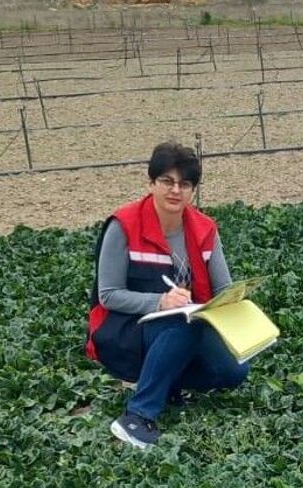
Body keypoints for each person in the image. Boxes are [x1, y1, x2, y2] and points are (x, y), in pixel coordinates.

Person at [85, 142, 249, 449]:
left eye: (185, 184)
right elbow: (108, 295)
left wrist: (236, 301)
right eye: (167, 181)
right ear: (151, 183)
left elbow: (222, 287)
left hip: (184, 326)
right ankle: (136, 416)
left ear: (192, 190)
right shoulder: (123, 225)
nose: (176, 190)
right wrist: (159, 302)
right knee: (184, 324)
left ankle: (164, 380)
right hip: (125, 329)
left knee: (234, 370)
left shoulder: (205, 229)